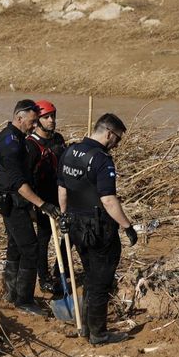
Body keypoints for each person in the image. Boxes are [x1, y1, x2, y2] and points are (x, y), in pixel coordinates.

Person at [58, 113, 138, 345]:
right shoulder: (102, 160)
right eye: (118, 139)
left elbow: (62, 190)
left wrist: (64, 216)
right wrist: (127, 226)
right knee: (101, 280)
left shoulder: (70, 152)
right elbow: (108, 200)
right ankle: (99, 334)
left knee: (90, 276)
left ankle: (85, 327)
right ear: (109, 134)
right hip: (98, 227)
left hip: (75, 225)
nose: (117, 145)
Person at [0, 99, 60, 315]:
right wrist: (43, 205)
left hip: (14, 202)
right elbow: (19, 183)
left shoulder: (16, 137)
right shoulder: (10, 144)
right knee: (30, 249)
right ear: (19, 118)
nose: (34, 126)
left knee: (15, 246)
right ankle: (24, 300)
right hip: (13, 203)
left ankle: (11, 292)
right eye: (31, 122)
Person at [25, 100, 67, 297]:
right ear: (37, 120)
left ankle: (60, 271)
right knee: (43, 238)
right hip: (42, 199)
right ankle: (43, 278)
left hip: (61, 194)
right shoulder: (31, 145)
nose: (51, 120)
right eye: (46, 117)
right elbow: (25, 179)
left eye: (53, 116)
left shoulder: (58, 139)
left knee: (68, 234)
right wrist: (33, 207)